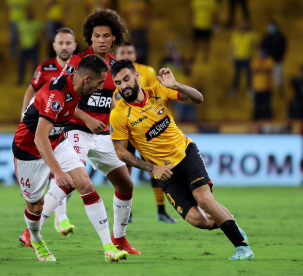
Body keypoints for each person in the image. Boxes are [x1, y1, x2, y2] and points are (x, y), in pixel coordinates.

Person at [109, 59, 254, 261]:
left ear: (136, 76)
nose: (123, 86)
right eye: (118, 83)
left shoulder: (159, 91)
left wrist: (176, 86)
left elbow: (198, 98)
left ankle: (242, 247)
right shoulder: (119, 114)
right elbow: (121, 153)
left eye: (126, 79)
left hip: (186, 154)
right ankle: (232, 225)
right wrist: (152, 168)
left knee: (204, 199)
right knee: (197, 220)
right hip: (164, 172)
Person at [39, 8, 140, 255]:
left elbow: (110, 100)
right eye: (97, 36)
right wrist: (85, 117)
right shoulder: (77, 62)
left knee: (126, 184)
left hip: (102, 134)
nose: (102, 40)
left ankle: (119, 239)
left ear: (114, 38)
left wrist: (123, 120)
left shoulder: (116, 67)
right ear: (90, 37)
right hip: (75, 129)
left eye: (107, 36)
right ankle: (33, 227)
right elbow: (61, 96)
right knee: (74, 180)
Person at [12, 54, 128, 262]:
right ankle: (35, 238)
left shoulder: (77, 86)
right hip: (29, 149)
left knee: (84, 183)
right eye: (100, 82)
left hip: (58, 141)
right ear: (86, 80)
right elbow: (40, 137)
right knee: (36, 206)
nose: (102, 87)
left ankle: (108, 246)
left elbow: (70, 106)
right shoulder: (55, 97)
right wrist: (58, 172)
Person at [18, 27, 77, 240]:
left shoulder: (78, 69)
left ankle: (59, 216)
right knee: (59, 172)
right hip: (44, 127)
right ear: (54, 46)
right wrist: (24, 113)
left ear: (74, 45)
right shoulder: (44, 68)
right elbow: (31, 89)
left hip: (69, 126)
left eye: (68, 43)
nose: (64, 47)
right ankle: (58, 216)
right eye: (60, 43)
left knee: (70, 173)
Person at [115, 42, 176, 224]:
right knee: (125, 173)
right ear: (116, 55)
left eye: (130, 51)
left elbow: (155, 97)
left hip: (146, 130)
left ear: (135, 55)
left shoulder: (147, 72)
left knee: (155, 170)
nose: (126, 54)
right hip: (124, 129)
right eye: (122, 52)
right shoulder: (112, 76)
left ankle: (161, 211)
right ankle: (127, 214)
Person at [228, 20, 258, 97]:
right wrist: (231, 57)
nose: (243, 27)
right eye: (242, 25)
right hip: (238, 58)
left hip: (248, 58)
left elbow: (256, 46)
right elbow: (232, 47)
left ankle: (250, 90)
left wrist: (255, 56)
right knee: (236, 75)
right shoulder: (235, 35)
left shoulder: (252, 35)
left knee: (249, 75)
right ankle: (234, 89)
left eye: (245, 25)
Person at [16, 8, 42, 85]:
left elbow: (42, 33)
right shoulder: (21, 23)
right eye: (28, 13)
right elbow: (17, 33)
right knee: (22, 65)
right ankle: (21, 79)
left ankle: (35, 80)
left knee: (35, 65)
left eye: (31, 13)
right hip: (24, 47)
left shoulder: (36, 23)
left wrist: (38, 40)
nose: (29, 15)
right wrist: (19, 42)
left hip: (33, 47)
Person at [261, 20, 287, 94]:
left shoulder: (281, 37)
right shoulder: (266, 36)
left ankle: (280, 92)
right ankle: (269, 92)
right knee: (268, 78)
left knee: (278, 78)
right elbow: (262, 47)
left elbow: (284, 48)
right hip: (268, 61)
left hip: (277, 61)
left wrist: (281, 58)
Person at [250, 48, 274, 120]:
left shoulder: (269, 60)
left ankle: (269, 120)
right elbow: (254, 70)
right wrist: (263, 69)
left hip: (267, 88)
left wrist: (260, 69)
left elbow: (269, 69)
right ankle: (255, 122)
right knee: (256, 106)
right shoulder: (255, 60)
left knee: (268, 106)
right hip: (257, 88)